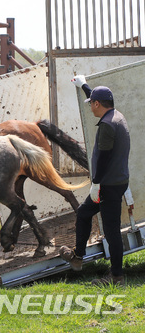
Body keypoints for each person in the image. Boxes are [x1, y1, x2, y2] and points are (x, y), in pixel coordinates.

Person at [60, 75, 130, 286]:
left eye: (92, 104)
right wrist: (84, 86)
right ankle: (78, 257)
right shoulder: (115, 115)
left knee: (111, 230)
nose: (90, 107)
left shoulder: (107, 126)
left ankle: (117, 276)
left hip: (108, 185)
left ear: (98, 104)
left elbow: (105, 159)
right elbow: (97, 98)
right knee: (84, 213)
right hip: (114, 181)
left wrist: (96, 184)